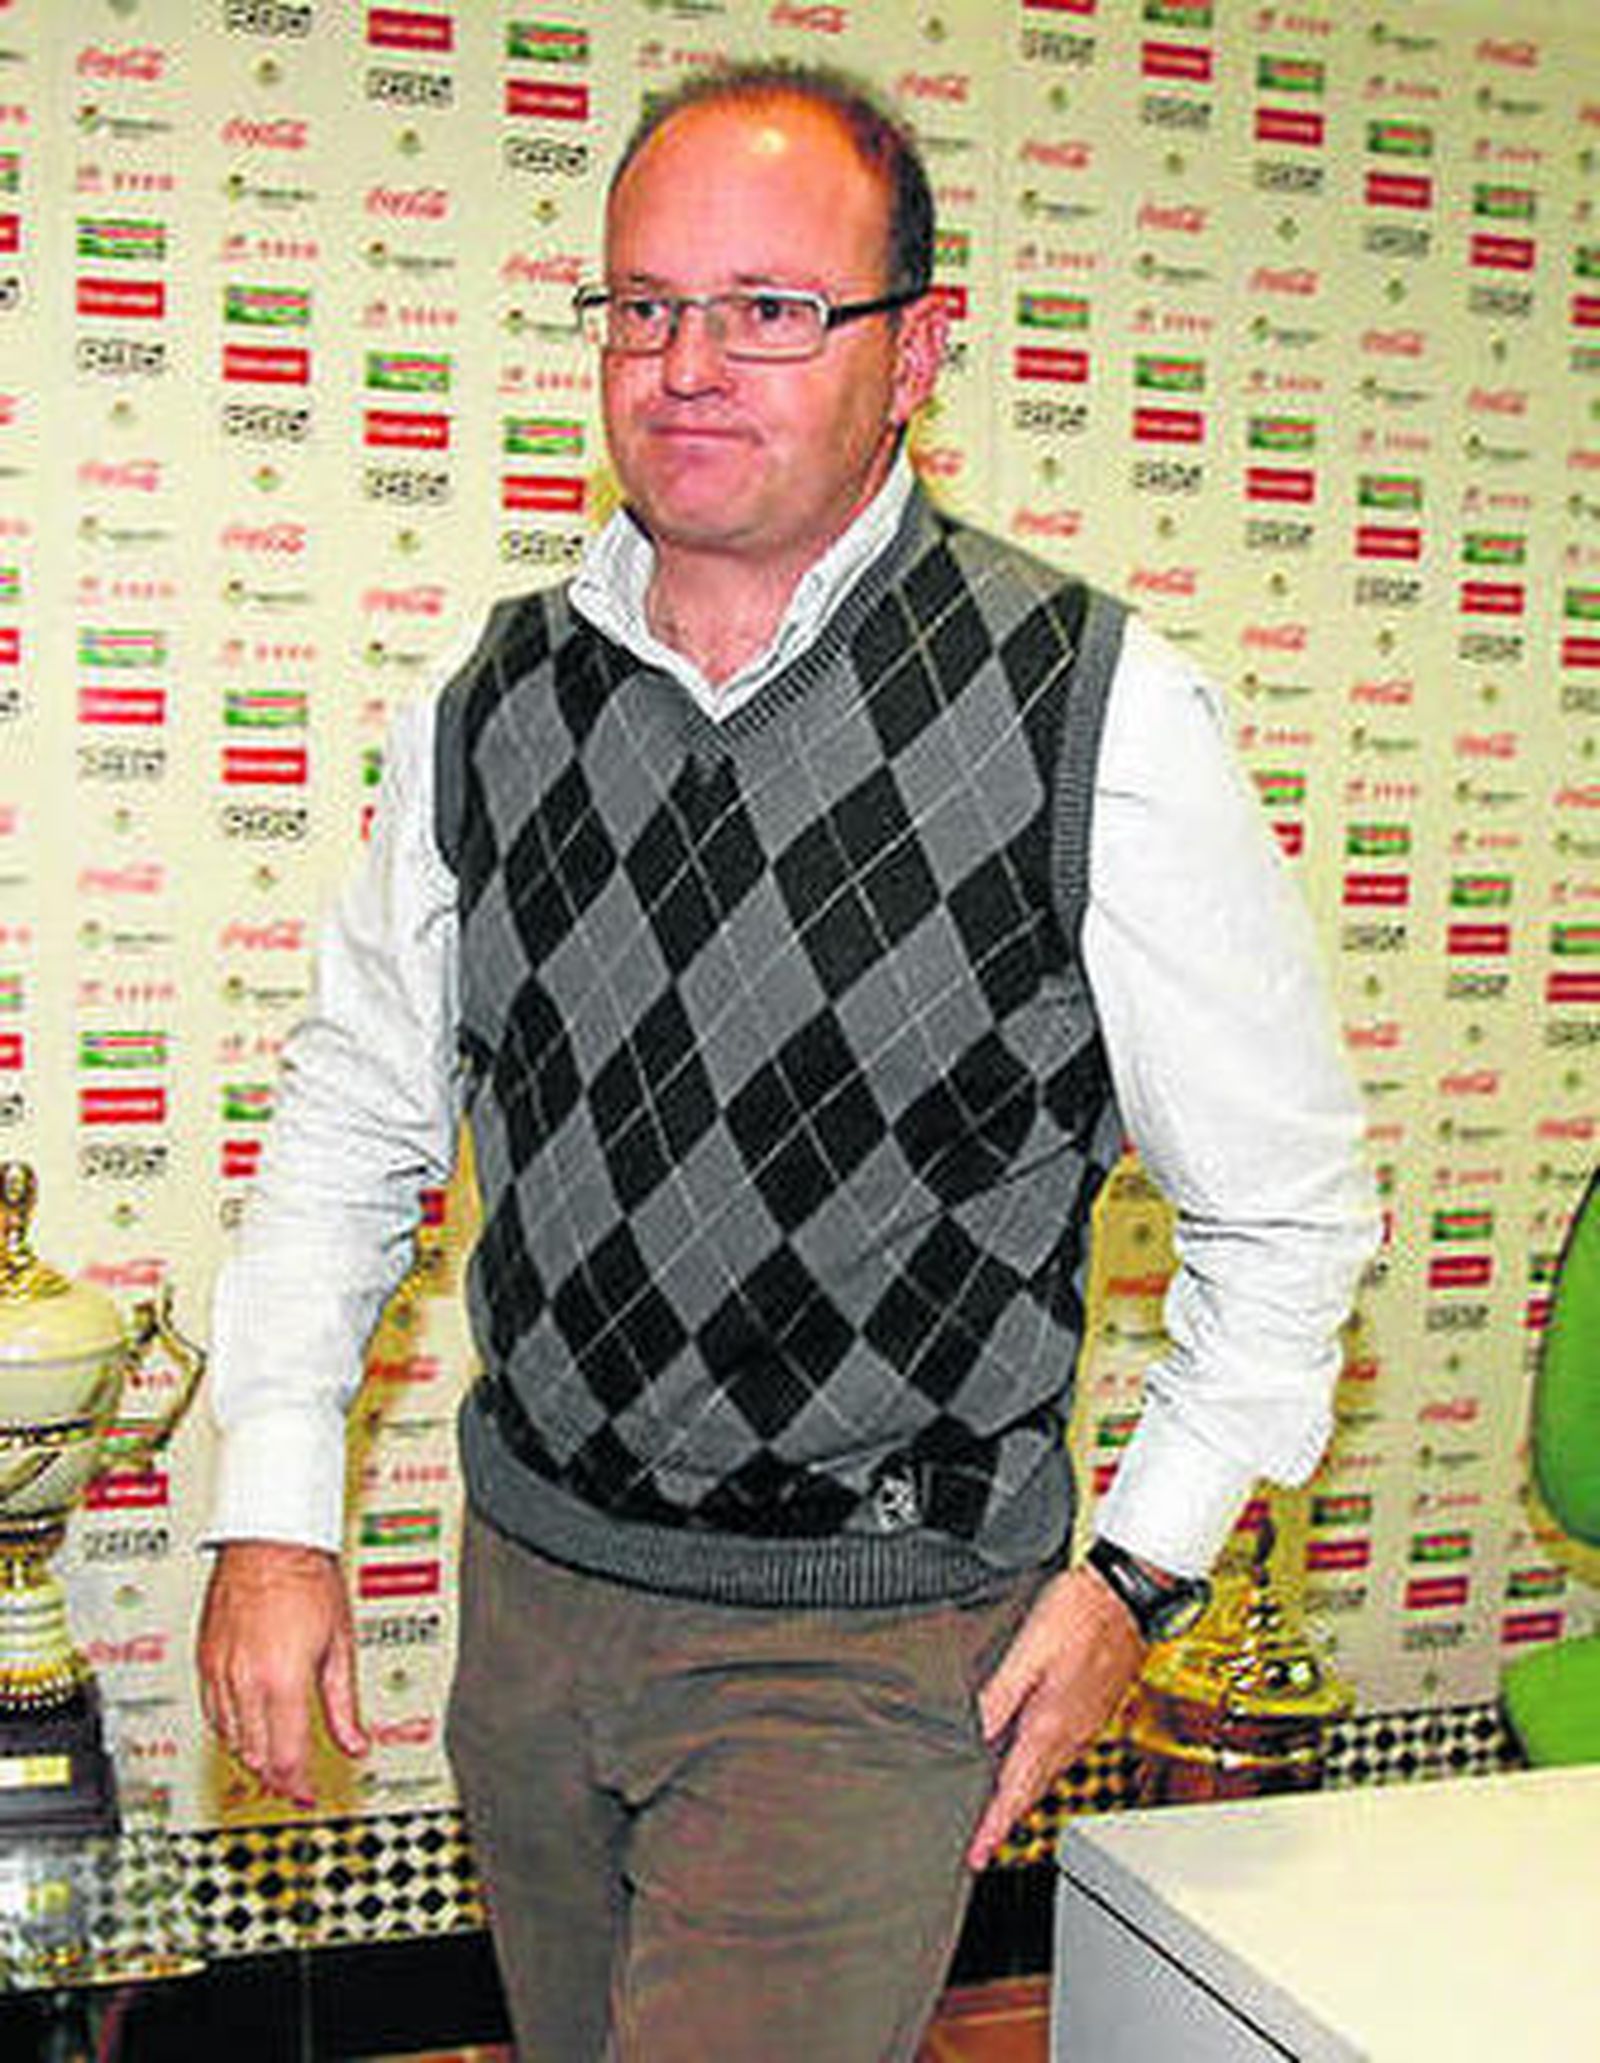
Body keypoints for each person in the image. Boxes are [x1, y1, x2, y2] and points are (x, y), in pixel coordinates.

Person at [198, 60, 1378, 2062]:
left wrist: (1133, 1581)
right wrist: (276, 1506)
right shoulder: (491, 700)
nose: (687, 365)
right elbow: (353, 1117)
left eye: (767, 308)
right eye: (644, 305)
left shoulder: (1090, 712)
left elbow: (1288, 1218)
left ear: (913, 350)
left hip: (868, 1636)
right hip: (535, 1597)